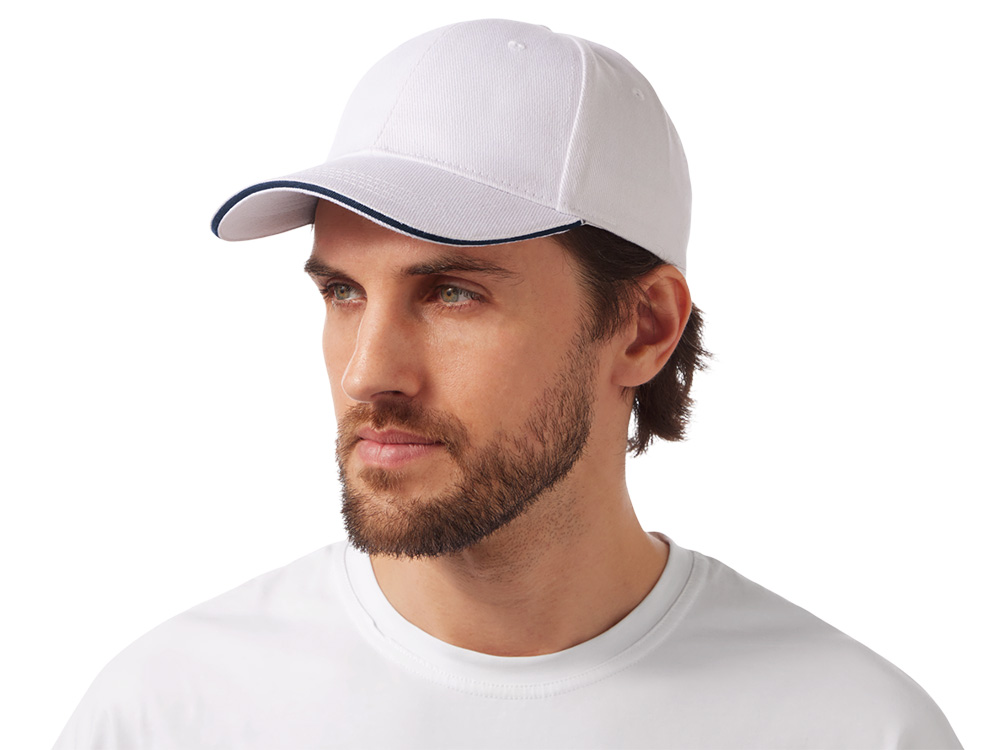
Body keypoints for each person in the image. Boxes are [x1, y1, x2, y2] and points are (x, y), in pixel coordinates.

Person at [53, 18, 961, 749]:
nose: (368, 372)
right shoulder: (171, 713)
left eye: (452, 293)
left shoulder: (853, 727)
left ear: (643, 327)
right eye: (343, 292)